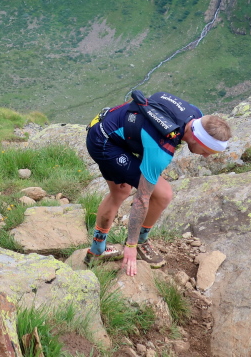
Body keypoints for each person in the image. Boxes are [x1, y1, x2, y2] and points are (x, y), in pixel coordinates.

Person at [84, 91, 231, 276]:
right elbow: (141, 199)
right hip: (104, 142)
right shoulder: (161, 150)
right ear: (197, 138)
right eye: (207, 150)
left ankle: (96, 251)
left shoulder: (196, 116)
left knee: (120, 192)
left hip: (109, 125)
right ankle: (139, 243)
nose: (207, 156)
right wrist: (130, 245)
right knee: (162, 194)